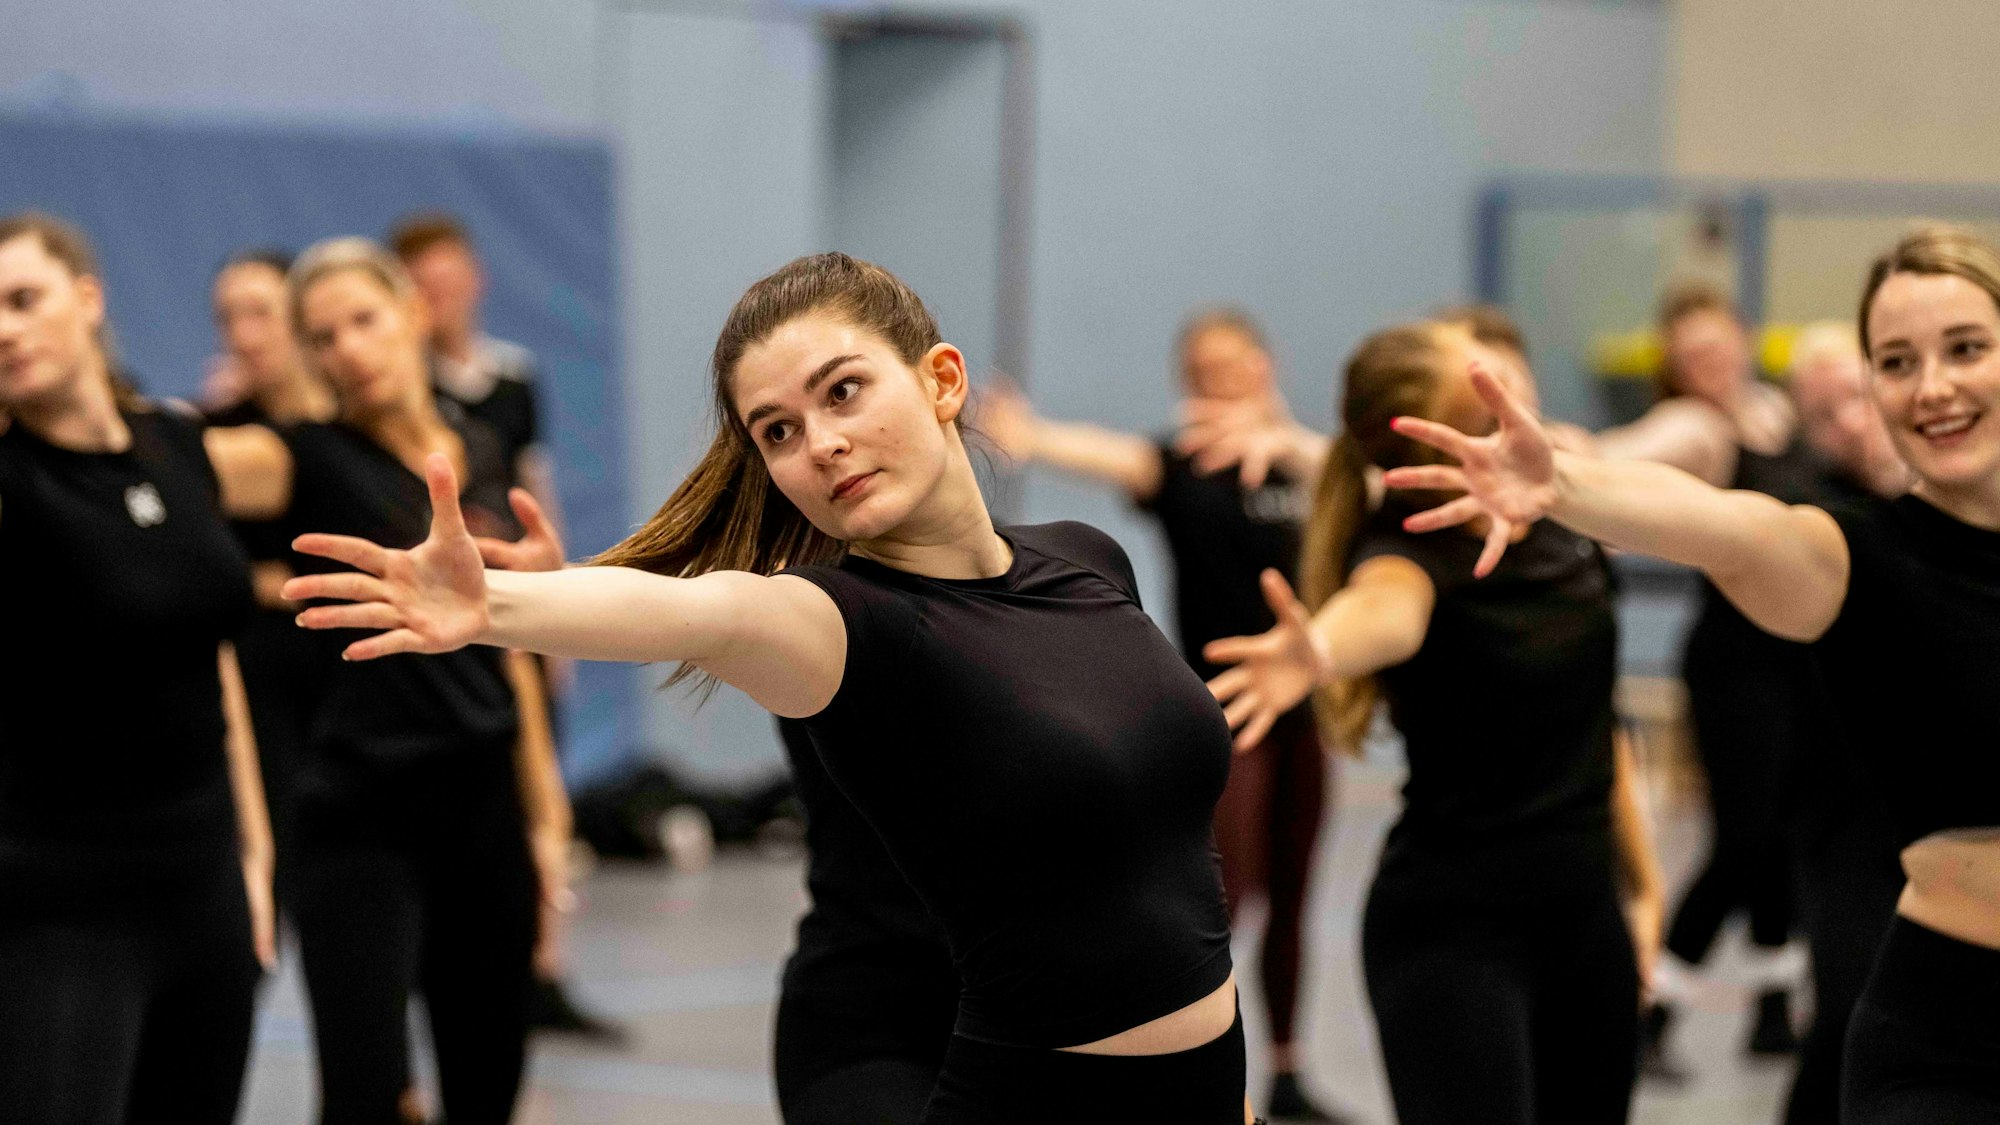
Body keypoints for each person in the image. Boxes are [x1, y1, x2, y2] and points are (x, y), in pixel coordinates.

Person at [284, 251, 1261, 1125]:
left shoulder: (1087, 560)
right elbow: (708, 613)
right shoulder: (841, 622)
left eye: (843, 393)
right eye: (778, 431)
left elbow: (1165, 876)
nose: (820, 443)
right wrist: (499, 602)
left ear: (943, 381)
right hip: (986, 1071)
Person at [1380, 223, 2000, 1124]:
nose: (1933, 386)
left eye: (1966, 349)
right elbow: (1721, 522)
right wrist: (1564, 484)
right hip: (1949, 1049)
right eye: (1897, 361)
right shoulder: (1855, 555)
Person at [1204, 318, 1663, 1125]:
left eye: (1513, 384)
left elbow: (1596, 726)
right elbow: (1385, 613)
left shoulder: (1567, 514)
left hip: (1587, 922)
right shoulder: (1408, 550)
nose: (1521, 411)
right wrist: (1321, 649)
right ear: (1435, 453)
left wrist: (1645, 888)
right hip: (1455, 936)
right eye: (1491, 407)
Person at [202, 236, 571, 1125]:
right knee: (364, 1095)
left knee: (488, 1083)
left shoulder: (475, 448)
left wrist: (547, 812)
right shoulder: (305, 456)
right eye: (322, 337)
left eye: (363, 321)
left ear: (412, 311)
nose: (348, 351)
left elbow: (507, 646)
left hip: (485, 814)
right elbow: (197, 468)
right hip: (360, 822)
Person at [980, 307, 1346, 1121]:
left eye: (1236, 363)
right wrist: (1033, 436)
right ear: (1190, 381)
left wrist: (1287, 439)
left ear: (1265, 362)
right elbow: (1120, 457)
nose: (1224, 379)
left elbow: (1366, 481)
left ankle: (1287, 1067)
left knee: (1294, 891)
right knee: (1229, 892)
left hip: (1303, 708)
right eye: (1205, 369)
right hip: (1228, 706)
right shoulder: (1181, 466)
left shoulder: (1306, 464)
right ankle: (1201, 1068)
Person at [0, 211, 275, 1124]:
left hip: (203, 892)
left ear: (87, 299)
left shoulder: (178, 443)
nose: (4, 327)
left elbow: (213, 659)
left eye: (24, 299)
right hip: (56, 907)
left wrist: (254, 849)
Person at [1599, 285, 1811, 1067]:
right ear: (1676, 370)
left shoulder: (1777, 413)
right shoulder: (1694, 427)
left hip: (1799, 663)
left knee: (1783, 842)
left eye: (1718, 346)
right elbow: (1619, 451)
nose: (1710, 364)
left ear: (1746, 339)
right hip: (1737, 665)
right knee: (1743, 841)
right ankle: (1647, 1013)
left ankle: (1771, 1010)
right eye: (1692, 356)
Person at [1777, 322, 1908, 1125]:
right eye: (1828, 413)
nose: (1853, 424)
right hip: (1842, 823)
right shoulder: (1808, 512)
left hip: (1937, 820)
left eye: (1861, 399)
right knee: (1850, 1010)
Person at [203, 248, 337, 897]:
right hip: (260, 679)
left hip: (351, 676)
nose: (243, 335)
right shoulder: (215, 434)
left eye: (260, 313)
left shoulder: (348, 431)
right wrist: (268, 580)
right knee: (264, 865)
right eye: (228, 317)